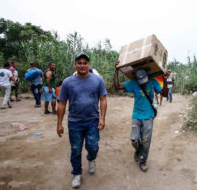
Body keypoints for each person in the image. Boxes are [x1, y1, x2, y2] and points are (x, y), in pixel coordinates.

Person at [57, 52, 107, 189]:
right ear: (75, 64)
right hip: (75, 122)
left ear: (89, 64)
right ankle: (77, 173)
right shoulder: (68, 82)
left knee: (93, 146)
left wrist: (102, 118)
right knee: (75, 149)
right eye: (79, 63)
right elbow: (61, 103)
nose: (82, 65)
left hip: (92, 120)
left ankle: (91, 159)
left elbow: (103, 99)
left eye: (85, 63)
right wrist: (59, 124)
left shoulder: (98, 80)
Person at [114, 61, 162, 172]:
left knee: (146, 141)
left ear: (147, 76)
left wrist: (164, 78)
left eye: (144, 80)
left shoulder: (152, 82)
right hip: (136, 115)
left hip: (149, 116)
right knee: (134, 139)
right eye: (141, 81)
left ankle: (142, 160)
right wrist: (116, 70)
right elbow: (117, 87)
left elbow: (164, 93)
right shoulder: (133, 83)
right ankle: (138, 150)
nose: (143, 83)